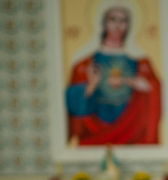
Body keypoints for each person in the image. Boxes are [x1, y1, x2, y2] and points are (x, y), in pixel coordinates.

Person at [65, 5, 162, 146]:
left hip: (131, 131)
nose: (118, 25)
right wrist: (91, 85)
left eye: (123, 21)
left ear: (129, 26)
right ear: (103, 23)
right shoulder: (85, 64)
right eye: (113, 19)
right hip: (94, 134)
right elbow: (73, 105)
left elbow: (155, 90)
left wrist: (137, 83)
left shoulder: (141, 63)